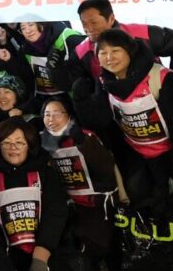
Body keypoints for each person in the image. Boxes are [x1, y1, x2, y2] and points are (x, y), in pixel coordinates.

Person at [74, 29, 173, 216]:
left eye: (115, 51)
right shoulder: (104, 82)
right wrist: (81, 100)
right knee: (145, 209)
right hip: (136, 158)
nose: (109, 58)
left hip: (171, 158)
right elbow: (101, 122)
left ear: (130, 51)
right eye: (102, 53)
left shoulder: (161, 78)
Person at [0, 117, 69, 271]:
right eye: (6, 143)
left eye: (19, 142)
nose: (12, 148)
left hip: (42, 249)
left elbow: (55, 213)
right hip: (4, 252)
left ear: (29, 145)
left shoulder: (45, 173)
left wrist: (40, 259)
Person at [38, 96, 118, 269]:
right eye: (47, 114)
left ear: (68, 115)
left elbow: (105, 166)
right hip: (68, 206)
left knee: (98, 248)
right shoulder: (42, 143)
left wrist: (83, 142)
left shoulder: (84, 136)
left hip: (96, 205)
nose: (51, 119)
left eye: (57, 113)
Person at [69, 0, 173, 83]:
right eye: (84, 23)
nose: (89, 29)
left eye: (94, 22)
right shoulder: (80, 53)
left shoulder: (141, 34)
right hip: (117, 110)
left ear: (111, 19)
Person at [18, 22, 84, 97]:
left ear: (41, 23)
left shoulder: (69, 38)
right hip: (46, 100)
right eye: (23, 28)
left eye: (31, 25)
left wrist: (58, 69)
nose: (28, 31)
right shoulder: (24, 50)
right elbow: (26, 79)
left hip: (77, 97)